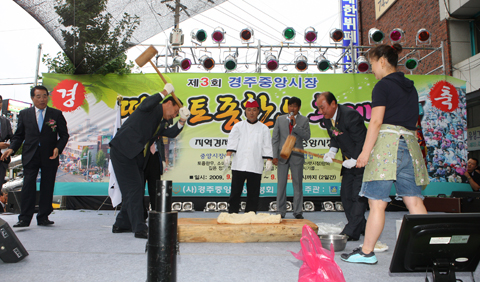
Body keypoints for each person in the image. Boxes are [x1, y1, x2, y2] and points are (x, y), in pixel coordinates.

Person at [341, 44, 429, 265]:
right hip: (409, 145)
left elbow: (377, 122)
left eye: (371, 64)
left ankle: (367, 252)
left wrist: (365, 152)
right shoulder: (410, 86)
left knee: (377, 203)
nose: (371, 69)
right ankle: (429, 249)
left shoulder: (382, 86)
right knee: (414, 201)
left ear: (381, 60)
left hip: (388, 147)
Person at [109, 83, 188, 239]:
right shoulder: (151, 108)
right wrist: (165, 92)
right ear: (168, 103)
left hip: (135, 155)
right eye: (176, 112)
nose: (174, 115)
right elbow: (146, 103)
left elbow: (170, 133)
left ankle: (121, 224)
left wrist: (182, 121)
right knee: (134, 188)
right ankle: (139, 228)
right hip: (123, 150)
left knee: (134, 189)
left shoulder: (162, 121)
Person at [1, 86, 69, 227]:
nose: (42, 99)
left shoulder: (55, 114)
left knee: (47, 186)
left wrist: (58, 147)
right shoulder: (24, 114)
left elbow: (64, 135)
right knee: (28, 186)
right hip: (30, 155)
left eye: (44, 96)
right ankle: (24, 218)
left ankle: (43, 217)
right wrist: (12, 149)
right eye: (38, 96)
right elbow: (19, 136)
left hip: (50, 155)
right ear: (32, 98)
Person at [316, 91, 368, 241]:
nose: (321, 111)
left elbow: (362, 140)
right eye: (319, 108)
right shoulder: (327, 119)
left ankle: (351, 231)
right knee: (345, 196)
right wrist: (332, 151)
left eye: (323, 107)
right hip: (347, 163)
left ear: (333, 104)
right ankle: (361, 226)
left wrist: (355, 158)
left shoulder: (350, 115)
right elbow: (335, 136)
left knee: (357, 196)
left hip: (361, 161)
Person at [224, 98, 273, 213]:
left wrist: (269, 160)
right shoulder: (238, 126)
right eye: (249, 110)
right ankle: (232, 214)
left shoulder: (264, 128)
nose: (251, 112)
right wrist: (228, 155)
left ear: (258, 111)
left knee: (253, 193)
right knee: (235, 192)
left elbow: (267, 145)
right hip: (239, 164)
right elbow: (232, 141)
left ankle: (250, 214)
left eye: (254, 110)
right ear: (245, 111)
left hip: (255, 165)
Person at [272, 97, 310, 219]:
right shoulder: (280, 119)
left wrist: (296, 126)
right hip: (282, 155)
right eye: (290, 106)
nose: (292, 108)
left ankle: (298, 211)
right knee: (281, 183)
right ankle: (280, 210)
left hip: (296, 156)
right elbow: (275, 139)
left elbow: (307, 136)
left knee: (297, 184)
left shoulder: (303, 120)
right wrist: (274, 156)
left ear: (299, 108)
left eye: (294, 106)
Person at [143, 115, 187, 216]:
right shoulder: (142, 122)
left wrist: (163, 160)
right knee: (139, 188)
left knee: (155, 188)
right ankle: (141, 214)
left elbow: (163, 142)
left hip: (155, 158)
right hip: (142, 157)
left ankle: (156, 213)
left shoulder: (160, 122)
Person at [0, 95, 14, 188]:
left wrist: (10, 147)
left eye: (0, 102)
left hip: (2, 161)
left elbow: (13, 138)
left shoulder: (5, 121)